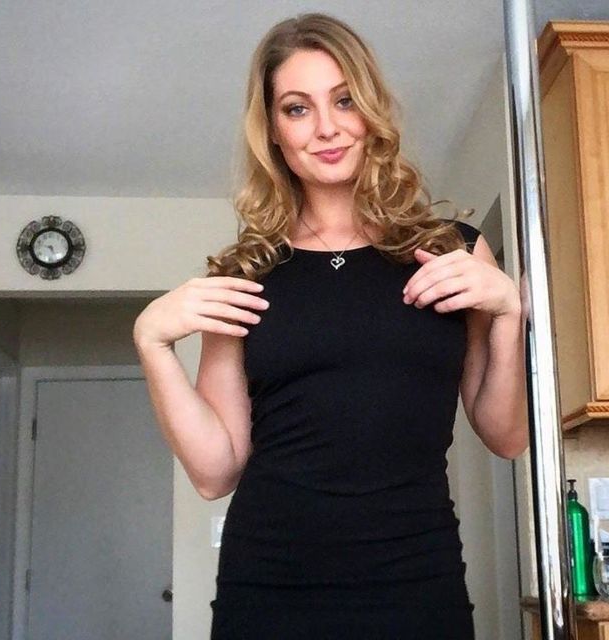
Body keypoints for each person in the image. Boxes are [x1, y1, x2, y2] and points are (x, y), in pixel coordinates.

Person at [133, 12, 529, 640]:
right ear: (273, 131)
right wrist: (151, 343)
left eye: (344, 100)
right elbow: (215, 472)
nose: (326, 127)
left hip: (418, 581)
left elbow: (507, 437)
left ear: (370, 110)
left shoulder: (451, 250)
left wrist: (509, 311)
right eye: (297, 108)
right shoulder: (247, 272)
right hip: (269, 586)